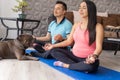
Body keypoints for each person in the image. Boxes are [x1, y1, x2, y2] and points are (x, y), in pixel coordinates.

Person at [45, 0, 104, 73]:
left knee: (91, 66)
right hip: (73, 56)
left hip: (88, 58)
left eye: (84, 8)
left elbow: (99, 47)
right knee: (54, 51)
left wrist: (94, 56)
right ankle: (80, 66)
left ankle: (66, 65)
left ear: (91, 10)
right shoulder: (76, 25)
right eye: (79, 7)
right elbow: (69, 41)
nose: (80, 10)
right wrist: (53, 46)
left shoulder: (98, 27)